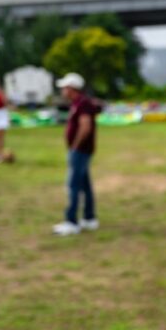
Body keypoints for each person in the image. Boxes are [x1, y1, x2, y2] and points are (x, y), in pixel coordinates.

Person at [51, 72, 99, 236]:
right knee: (85, 185)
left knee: (73, 185)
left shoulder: (82, 103)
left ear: (71, 88)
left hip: (80, 151)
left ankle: (71, 222)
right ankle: (89, 218)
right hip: (82, 150)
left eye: (64, 87)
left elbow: (85, 127)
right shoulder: (79, 103)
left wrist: (75, 147)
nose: (62, 90)